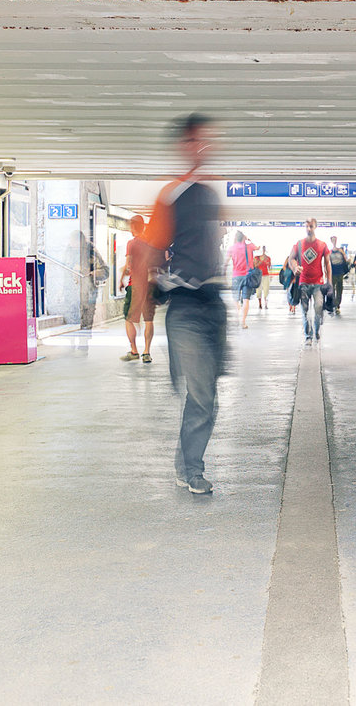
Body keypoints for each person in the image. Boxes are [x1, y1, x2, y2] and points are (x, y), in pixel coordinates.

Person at [146, 113, 225, 496]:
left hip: (214, 304)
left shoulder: (211, 196)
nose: (205, 148)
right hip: (187, 309)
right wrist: (139, 307)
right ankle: (191, 469)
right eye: (198, 141)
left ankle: (187, 463)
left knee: (207, 394)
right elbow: (151, 250)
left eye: (209, 141)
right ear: (184, 146)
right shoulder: (171, 195)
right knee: (201, 394)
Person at [118, 215, 157, 364]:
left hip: (135, 286)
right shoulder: (151, 243)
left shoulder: (132, 244)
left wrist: (122, 279)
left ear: (133, 227)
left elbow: (129, 264)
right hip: (150, 286)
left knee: (129, 319)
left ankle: (134, 350)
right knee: (148, 320)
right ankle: (147, 352)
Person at [287, 218, 331, 347]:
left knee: (318, 308)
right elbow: (291, 259)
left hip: (318, 283)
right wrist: (295, 267)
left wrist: (330, 281)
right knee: (305, 311)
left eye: (311, 226)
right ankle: (308, 336)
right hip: (303, 283)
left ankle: (316, 330)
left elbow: (327, 263)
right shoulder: (299, 244)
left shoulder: (322, 245)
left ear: (315, 227)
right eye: (306, 226)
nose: (308, 229)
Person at [227, 231, 256, 329]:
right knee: (246, 299)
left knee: (235, 298)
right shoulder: (249, 247)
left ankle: (238, 313)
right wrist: (249, 240)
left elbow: (226, 262)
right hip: (247, 276)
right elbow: (257, 248)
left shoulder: (232, 248)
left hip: (236, 276)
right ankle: (243, 322)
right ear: (243, 238)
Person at [327, 236, 349, 316]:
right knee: (332, 290)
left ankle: (337, 305)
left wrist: (344, 255)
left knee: (339, 290)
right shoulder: (329, 252)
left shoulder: (340, 251)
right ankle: (333, 305)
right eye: (333, 240)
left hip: (340, 273)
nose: (334, 241)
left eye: (335, 240)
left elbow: (345, 260)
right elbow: (327, 263)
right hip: (332, 273)